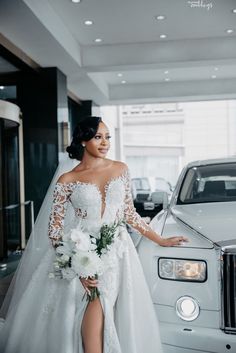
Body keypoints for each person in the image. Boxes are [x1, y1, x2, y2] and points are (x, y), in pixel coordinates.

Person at [0, 116, 187, 353]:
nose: (105, 142)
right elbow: (54, 230)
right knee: (96, 301)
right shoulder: (67, 180)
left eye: (108, 137)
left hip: (118, 250)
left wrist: (160, 239)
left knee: (111, 304)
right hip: (81, 249)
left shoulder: (121, 169)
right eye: (98, 137)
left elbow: (129, 213)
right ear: (83, 139)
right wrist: (76, 266)